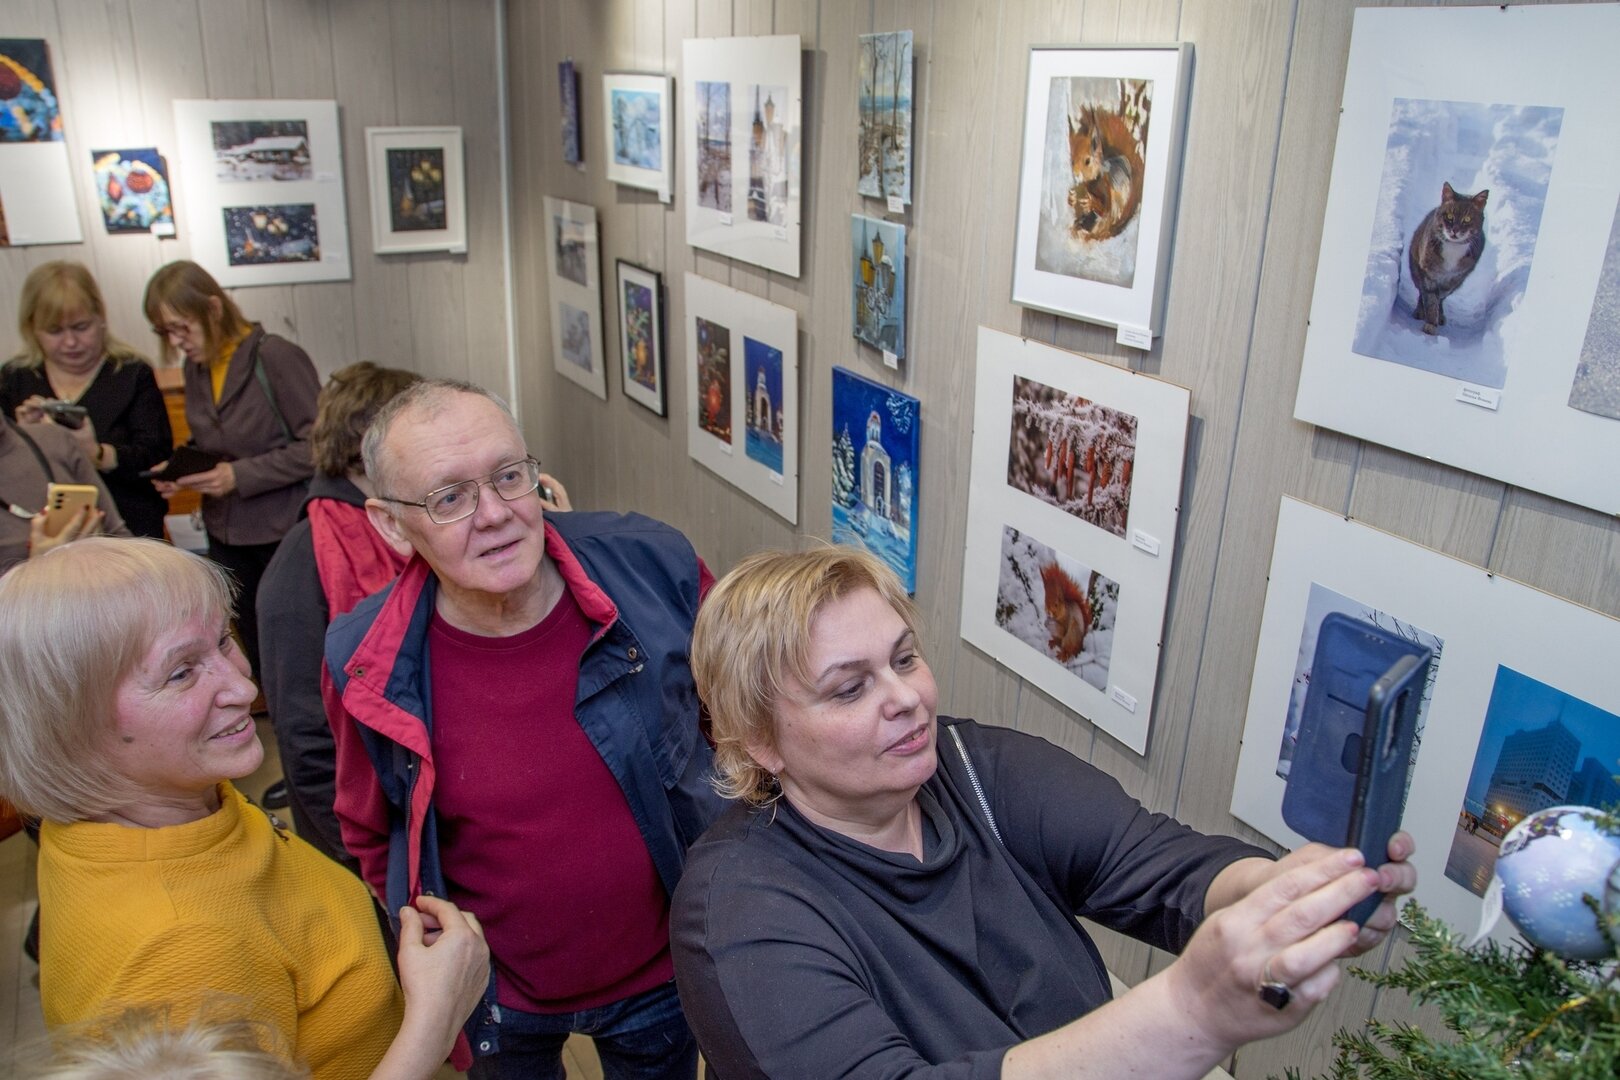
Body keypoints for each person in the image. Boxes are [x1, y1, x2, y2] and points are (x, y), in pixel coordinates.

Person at [672, 547, 1419, 1080]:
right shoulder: (738, 906)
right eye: (848, 689)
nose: (905, 699)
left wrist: (1282, 892)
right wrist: (1190, 1015)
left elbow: (1160, 866)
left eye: (903, 660)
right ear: (760, 740)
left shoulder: (977, 768)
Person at [324, 379, 724, 1078]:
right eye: (449, 497)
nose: (496, 515)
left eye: (509, 476)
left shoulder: (656, 568)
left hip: (664, 974)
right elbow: (368, 825)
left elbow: (746, 724)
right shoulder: (363, 659)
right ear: (390, 524)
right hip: (497, 999)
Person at [0, 537, 491, 1080]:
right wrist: (434, 1021)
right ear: (70, 727)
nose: (242, 684)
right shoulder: (178, 956)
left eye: (222, 641)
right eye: (180, 672)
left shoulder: (172, 801)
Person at [256, 361, 569, 864]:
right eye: (448, 493)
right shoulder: (301, 564)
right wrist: (379, 877)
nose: (490, 512)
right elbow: (307, 742)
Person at [143, 260, 320, 676]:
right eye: (166, 332)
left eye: (181, 327)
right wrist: (179, 469)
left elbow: (319, 446)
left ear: (214, 308)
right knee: (255, 651)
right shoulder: (196, 367)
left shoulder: (274, 356)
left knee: (297, 654)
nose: (176, 341)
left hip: (281, 532)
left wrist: (238, 476)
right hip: (225, 533)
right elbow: (213, 440)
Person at [3, 261, 172, 538]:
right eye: (55, 331)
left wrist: (98, 454)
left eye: (81, 327)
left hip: (128, 527)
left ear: (100, 318)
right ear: (32, 329)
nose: (71, 342)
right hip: (44, 536)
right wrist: (24, 440)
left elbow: (156, 459)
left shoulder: (132, 373)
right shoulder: (15, 378)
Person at [0, 412, 125, 575]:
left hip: (105, 581)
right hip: (36, 590)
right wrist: (41, 568)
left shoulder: (52, 438)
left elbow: (120, 538)